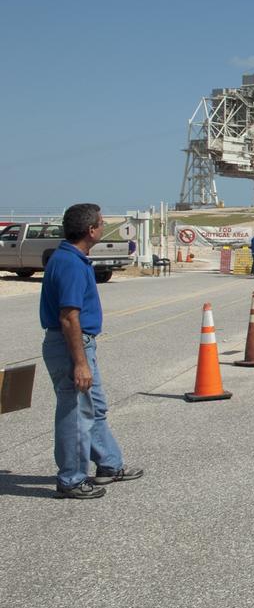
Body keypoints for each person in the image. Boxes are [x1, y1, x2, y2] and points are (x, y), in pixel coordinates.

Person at [40, 203, 143, 498]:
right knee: (75, 412)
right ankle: (71, 478)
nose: (102, 226)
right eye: (101, 222)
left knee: (94, 407)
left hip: (79, 343)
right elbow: (68, 317)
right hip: (70, 344)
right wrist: (80, 364)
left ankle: (109, 464)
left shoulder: (71, 258)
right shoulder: (70, 264)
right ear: (91, 230)